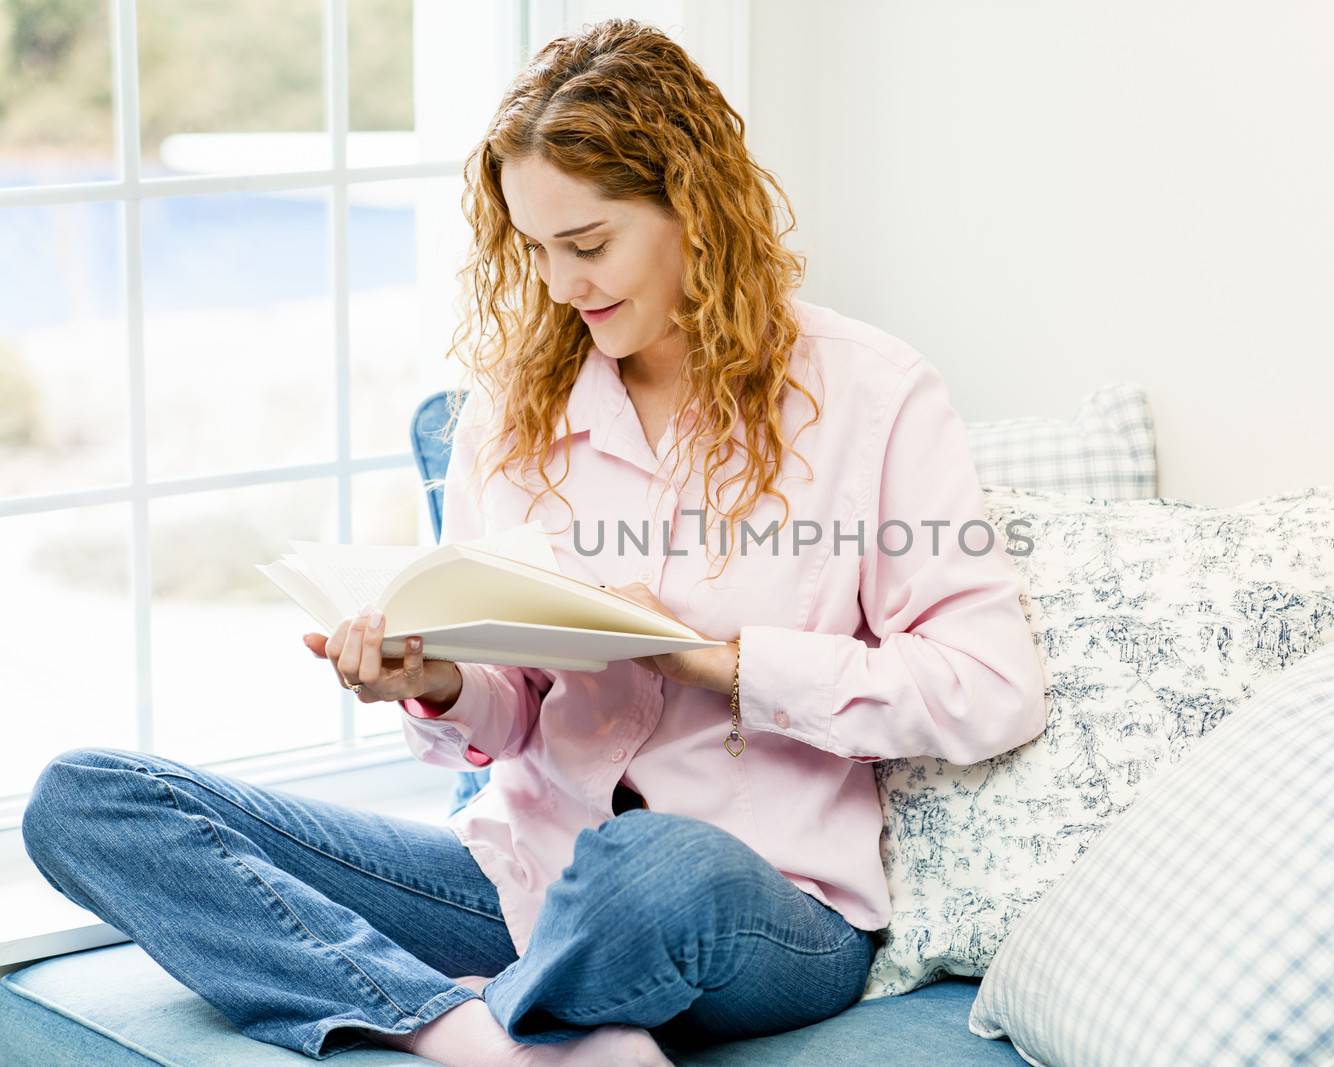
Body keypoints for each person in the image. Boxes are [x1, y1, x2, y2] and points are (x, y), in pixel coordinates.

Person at [21, 18, 1047, 1065]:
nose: (562, 285)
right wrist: (437, 679)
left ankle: (493, 1005)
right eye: (537, 249)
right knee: (87, 799)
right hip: (523, 875)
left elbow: (988, 686)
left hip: (754, 902)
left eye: (589, 243)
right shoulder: (512, 412)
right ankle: (473, 1029)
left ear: (695, 204)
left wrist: (715, 663)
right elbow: (509, 716)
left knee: (649, 865)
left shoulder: (870, 396)